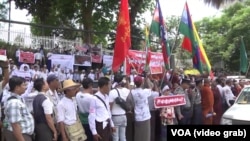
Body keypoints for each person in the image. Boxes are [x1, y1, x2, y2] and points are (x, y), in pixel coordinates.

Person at [3, 76, 34, 141]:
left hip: (22, 134)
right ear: (17, 88)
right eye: (23, 85)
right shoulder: (14, 103)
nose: (25, 87)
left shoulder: (19, 99)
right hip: (19, 136)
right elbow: (15, 125)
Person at [88, 77, 115, 141]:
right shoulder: (94, 99)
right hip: (100, 126)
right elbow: (91, 115)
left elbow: (108, 112)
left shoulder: (107, 97)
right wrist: (94, 132)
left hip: (107, 125)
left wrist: (112, 124)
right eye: (109, 85)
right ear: (104, 86)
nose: (110, 87)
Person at [131, 76, 152, 141]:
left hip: (137, 116)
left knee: (138, 135)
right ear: (142, 83)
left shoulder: (132, 92)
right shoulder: (145, 91)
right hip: (146, 116)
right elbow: (151, 87)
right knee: (146, 136)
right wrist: (147, 80)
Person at [109, 74, 130, 141]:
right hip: (124, 116)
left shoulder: (112, 92)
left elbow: (110, 106)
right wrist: (127, 81)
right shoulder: (126, 90)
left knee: (115, 137)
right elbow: (129, 90)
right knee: (123, 137)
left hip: (115, 116)